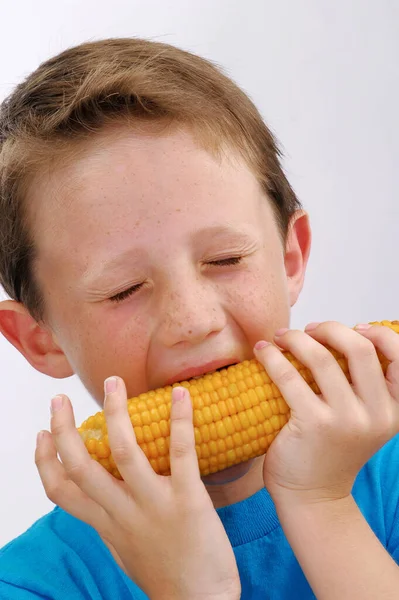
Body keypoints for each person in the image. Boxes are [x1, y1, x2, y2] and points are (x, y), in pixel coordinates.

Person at [0, 36, 398, 600]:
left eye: (226, 260)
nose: (193, 320)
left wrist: (322, 506)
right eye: (124, 290)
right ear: (40, 341)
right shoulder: (31, 585)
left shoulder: (390, 480)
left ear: (290, 258)